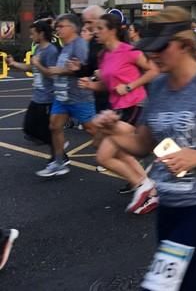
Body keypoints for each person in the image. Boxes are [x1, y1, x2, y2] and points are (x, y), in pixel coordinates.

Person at [93, 6, 196, 290]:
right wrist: (110, 131)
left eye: (160, 47)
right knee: (186, 280)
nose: (152, 54)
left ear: (183, 45)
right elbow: (142, 144)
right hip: (168, 203)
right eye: (150, 48)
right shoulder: (158, 86)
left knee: (161, 283)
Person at [78, 14, 160, 209]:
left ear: (112, 30)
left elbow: (153, 70)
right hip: (117, 108)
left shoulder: (129, 50)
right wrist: (91, 85)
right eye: (93, 29)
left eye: (99, 28)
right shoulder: (103, 55)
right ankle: (147, 187)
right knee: (116, 152)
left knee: (104, 155)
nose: (94, 32)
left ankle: (144, 186)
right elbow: (107, 85)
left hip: (135, 106)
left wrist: (130, 86)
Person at [31, 14, 96, 177]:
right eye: (57, 26)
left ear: (73, 28)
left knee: (93, 130)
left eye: (61, 26)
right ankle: (59, 162)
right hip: (62, 97)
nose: (57, 29)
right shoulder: (65, 46)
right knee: (54, 126)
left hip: (79, 97)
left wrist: (61, 70)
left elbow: (83, 69)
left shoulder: (79, 45)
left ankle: (120, 152)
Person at [7, 21, 59, 160]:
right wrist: (13, 64)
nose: (31, 37)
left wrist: (38, 64)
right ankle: (58, 150)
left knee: (45, 129)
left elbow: (51, 73)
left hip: (48, 97)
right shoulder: (38, 49)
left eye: (32, 34)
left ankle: (58, 154)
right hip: (37, 96)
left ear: (41, 34)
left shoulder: (51, 51)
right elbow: (31, 68)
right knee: (29, 128)